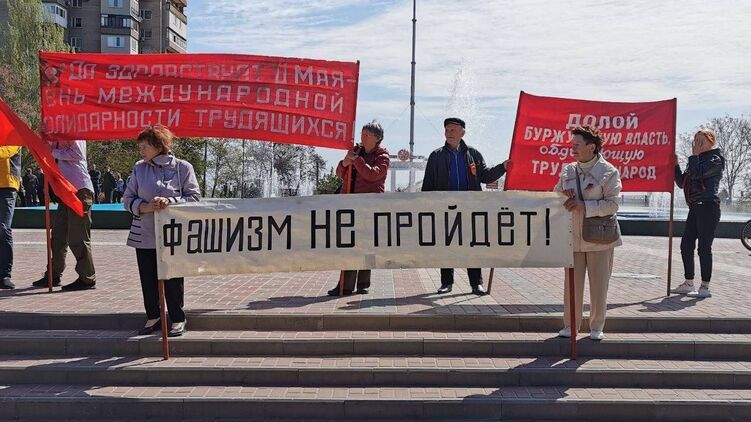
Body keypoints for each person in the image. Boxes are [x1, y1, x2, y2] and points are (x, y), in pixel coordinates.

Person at [124, 125, 200, 337]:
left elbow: (194, 197)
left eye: (145, 146)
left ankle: (177, 318)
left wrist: (170, 202)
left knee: (173, 279)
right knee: (148, 278)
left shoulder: (183, 167)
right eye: (140, 147)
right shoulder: (139, 168)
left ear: (159, 146)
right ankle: (153, 316)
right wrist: (144, 207)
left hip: (173, 235)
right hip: (144, 233)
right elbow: (127, 199)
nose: (141, 151)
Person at [421, 117, 510, 296]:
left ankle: (476, 284)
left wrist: (503, 167)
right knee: (447, 245)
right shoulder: (436, 156)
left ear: (462, 132)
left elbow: (485, 176)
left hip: (470, 208)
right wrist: (426, 206)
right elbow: (428, 184)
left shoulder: (473, 154)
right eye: (447, 130)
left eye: (453, 130)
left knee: (472, 245)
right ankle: (446, 282)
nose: (449, 133)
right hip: (445, 208)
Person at [554, 125, 622, 341]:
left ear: (591, 147)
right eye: (572, 144)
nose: (572, 148)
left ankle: (597, 326)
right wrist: (562, 197)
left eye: (577, 144)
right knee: (571, 284)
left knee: (599, 284)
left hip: (599, 238)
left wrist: (585, 206)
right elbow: (556, 196)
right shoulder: (567, 170)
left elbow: (613, 204)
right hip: (572, 237)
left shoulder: (609, 171)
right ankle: (570, 325)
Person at [327, 120, 390, 297]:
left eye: (367, 134)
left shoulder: (383, 156)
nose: (363, 137)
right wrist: (345, 163)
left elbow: (372, 175)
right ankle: (345, 285)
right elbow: (340, 174)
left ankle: (363, 284)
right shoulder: (355, 151)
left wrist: (357, 161)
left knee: (366, 245)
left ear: (377, 138)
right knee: (349, 245)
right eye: (362, 133)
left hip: (369, 206)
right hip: (349, 204)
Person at [31, 140, 96, 291]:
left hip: (79, 189)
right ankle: (53, 274)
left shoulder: (73, 133)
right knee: (58, 236)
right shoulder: (56, 136)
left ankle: (87, 278)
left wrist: (52, 151)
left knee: (78, 237)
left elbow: (77, 154)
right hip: (65, 191)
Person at [671, 129, 725, 298]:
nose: (698, 144)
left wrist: (693, 156)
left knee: (704, 247)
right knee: (686, 244)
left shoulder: (715, 159)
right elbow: (682, 182)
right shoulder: (696, 160)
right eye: (696, 141)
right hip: (695, 207)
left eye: (702, 141)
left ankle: (705, 286)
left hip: (709, 207)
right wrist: (675, 165)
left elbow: (698, 173)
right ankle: (688, 282)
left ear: (711, 141)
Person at [0, 146, 21, 289]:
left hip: (8, 186)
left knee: (3, 228)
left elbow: (5, 152)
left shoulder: (13, 136)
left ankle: (4, 275)